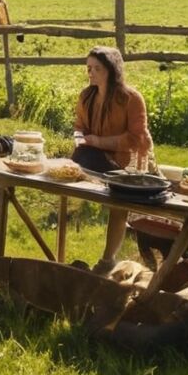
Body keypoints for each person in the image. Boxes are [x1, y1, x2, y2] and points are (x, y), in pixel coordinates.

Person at [71, 45, 153, 271]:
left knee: (118, 204)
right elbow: (79, 127)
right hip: (90, 158)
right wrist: (80, 139)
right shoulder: (86, 96)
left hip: (124, 165)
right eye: (88, 68)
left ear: (111, 69)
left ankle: (107, 260)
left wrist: (98, 142)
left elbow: (136, 138)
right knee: (76, 164)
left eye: (97, 68)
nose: (91, 73)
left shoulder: (130, 98)